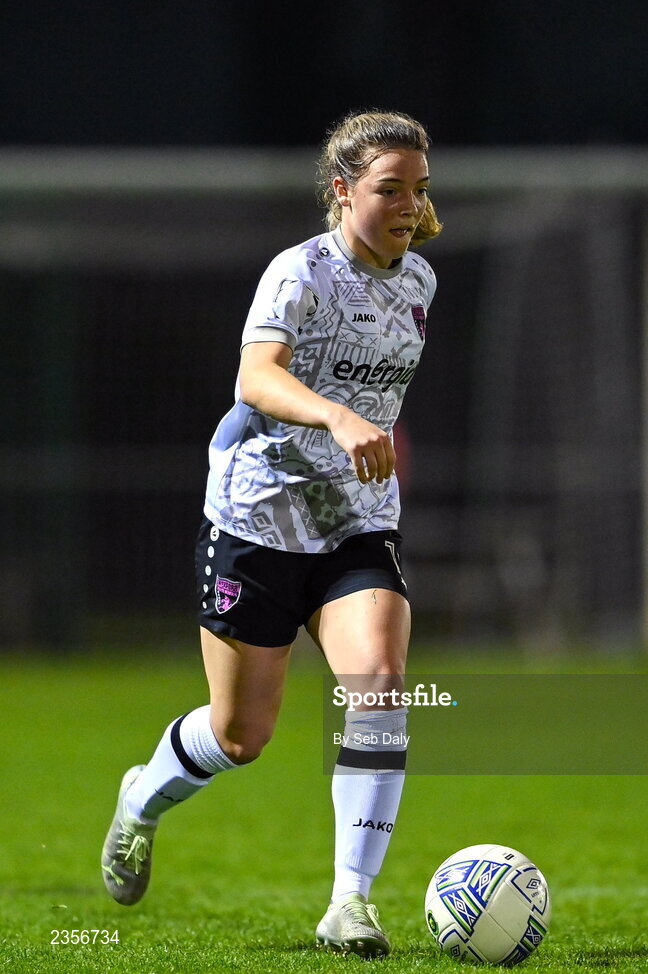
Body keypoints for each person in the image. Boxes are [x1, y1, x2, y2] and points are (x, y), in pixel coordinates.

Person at [100, 108, 442, 958]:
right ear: (341, 191)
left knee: (379, 682)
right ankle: (141, 799)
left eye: (419, 190)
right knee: (241, 737)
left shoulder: (420, 284)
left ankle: (349, 904)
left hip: (356, 520)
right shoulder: (299, 273)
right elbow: (256, 376)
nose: (407, 206)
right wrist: (337, 419)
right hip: (256, 514)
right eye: (388, 189)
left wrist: (360, 442)